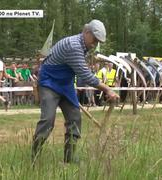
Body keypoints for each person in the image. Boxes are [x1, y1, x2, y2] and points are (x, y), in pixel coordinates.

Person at [32, 19, 119, 164]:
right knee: (47, 120)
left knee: (75, 119)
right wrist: (108, 89)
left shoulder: (83, 46)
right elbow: (85, 75)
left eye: (98, 42)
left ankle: (69, 159)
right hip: (49, 83)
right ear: (86, 32)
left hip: (65, 85)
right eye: (94, 40)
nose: (95, 44)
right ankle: (34, 158)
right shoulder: (73, 46)